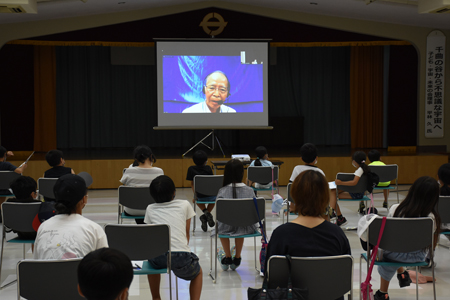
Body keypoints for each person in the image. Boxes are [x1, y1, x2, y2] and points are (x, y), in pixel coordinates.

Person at [266, 170, 351, 300]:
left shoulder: (281, 234)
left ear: (294, 196)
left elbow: (272, 278)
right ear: (325, 197)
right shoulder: (337, 234)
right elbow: (344, 277)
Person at [371, 176, 440, 300]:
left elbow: (388, 237)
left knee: (388, 254)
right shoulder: (431, 218)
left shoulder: (396, 209)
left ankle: (383, 292)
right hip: (418, 257)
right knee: (399, 250)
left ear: (412, 191)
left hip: (394, 254)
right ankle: (402, 275)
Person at [144, 175, 202, 300]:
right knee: (198, 273)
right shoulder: (185, 204)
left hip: (157, 256)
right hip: (180, 254)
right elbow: (186, 234)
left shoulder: (150, 208)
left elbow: (151, 235)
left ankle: (156, 297)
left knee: (151, 262)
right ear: (174, 192)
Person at [33, 174, 108, 259]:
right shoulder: (94, 229)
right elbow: (104, 266)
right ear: (84, 199)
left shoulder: (43, 227)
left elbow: (37, 262)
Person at [217, 159, 258, 270]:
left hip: (225, 226)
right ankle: (237, 257)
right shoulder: (250, 190)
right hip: (246, 226)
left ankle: (228, 256)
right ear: (242, 173)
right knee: (241, 224)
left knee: (221, 225)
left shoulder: (222, 191)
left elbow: (219, 213)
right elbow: (254, 210)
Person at [120, 145, 163, 219]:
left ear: (136, 159)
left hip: (131, 210)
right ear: (151, 156)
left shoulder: (128, 171)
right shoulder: (159, 172)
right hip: (154, 209)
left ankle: (141, 227)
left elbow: (125, 187)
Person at [332, 151, 371, 227]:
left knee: (331, 196)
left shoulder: (359, 170)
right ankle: (339, 217)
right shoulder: (366, 168)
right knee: (332, 192)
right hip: (359, 192)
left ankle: (337, 216)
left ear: (354, 161)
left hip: (356, 194)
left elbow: (354, 183)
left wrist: (341, 183)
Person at [186, 150, 215, 232]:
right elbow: (211, 181)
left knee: (196, 199)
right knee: (215, 199)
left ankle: (205, 214)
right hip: (211, 195)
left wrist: (195, 194)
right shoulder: (208, 168)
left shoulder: (190, 169)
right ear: (206, 161)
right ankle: (206, 215)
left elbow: (192, 184)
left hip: (200, 195)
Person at [0, 146, 27, 217]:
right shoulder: (7, 165)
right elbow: (19, 171)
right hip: (5, 190)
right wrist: (23, 167)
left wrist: (5, 155)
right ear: (4, 155)